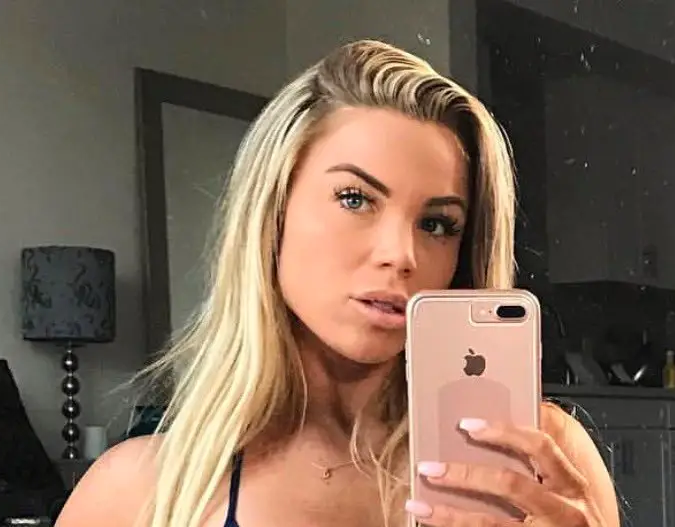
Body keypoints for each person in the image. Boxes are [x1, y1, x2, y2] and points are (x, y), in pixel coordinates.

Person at [56, 39, 619, 527]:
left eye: (437, 224)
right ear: (272, 210)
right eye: (355, 199)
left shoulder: (540, 461)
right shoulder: (138, 491)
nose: (400, 255)